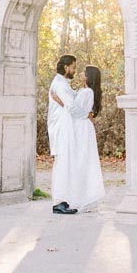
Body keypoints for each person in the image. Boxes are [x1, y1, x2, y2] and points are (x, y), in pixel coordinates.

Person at [65, 65, 106, 211]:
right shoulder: (83, 90)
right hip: (79, 126)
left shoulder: (88, 92)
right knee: (78, 160)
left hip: (82, 128)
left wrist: (59, 101)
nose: (81, 73)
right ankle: (77, 195)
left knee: (82, 160)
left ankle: (82, 197)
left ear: (88, 76)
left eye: (84, 72)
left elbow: (77, 111)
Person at [47, 54, 78, 214]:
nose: (74, 70)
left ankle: (63, 200)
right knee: (62, 164)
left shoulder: (63, 83)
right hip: (60, 129)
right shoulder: (59, 83)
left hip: (64, 128)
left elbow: (72, 99)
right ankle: (58, 202)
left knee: (65, 164)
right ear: (66, 67)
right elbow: (72, 106)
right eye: (73, 67)